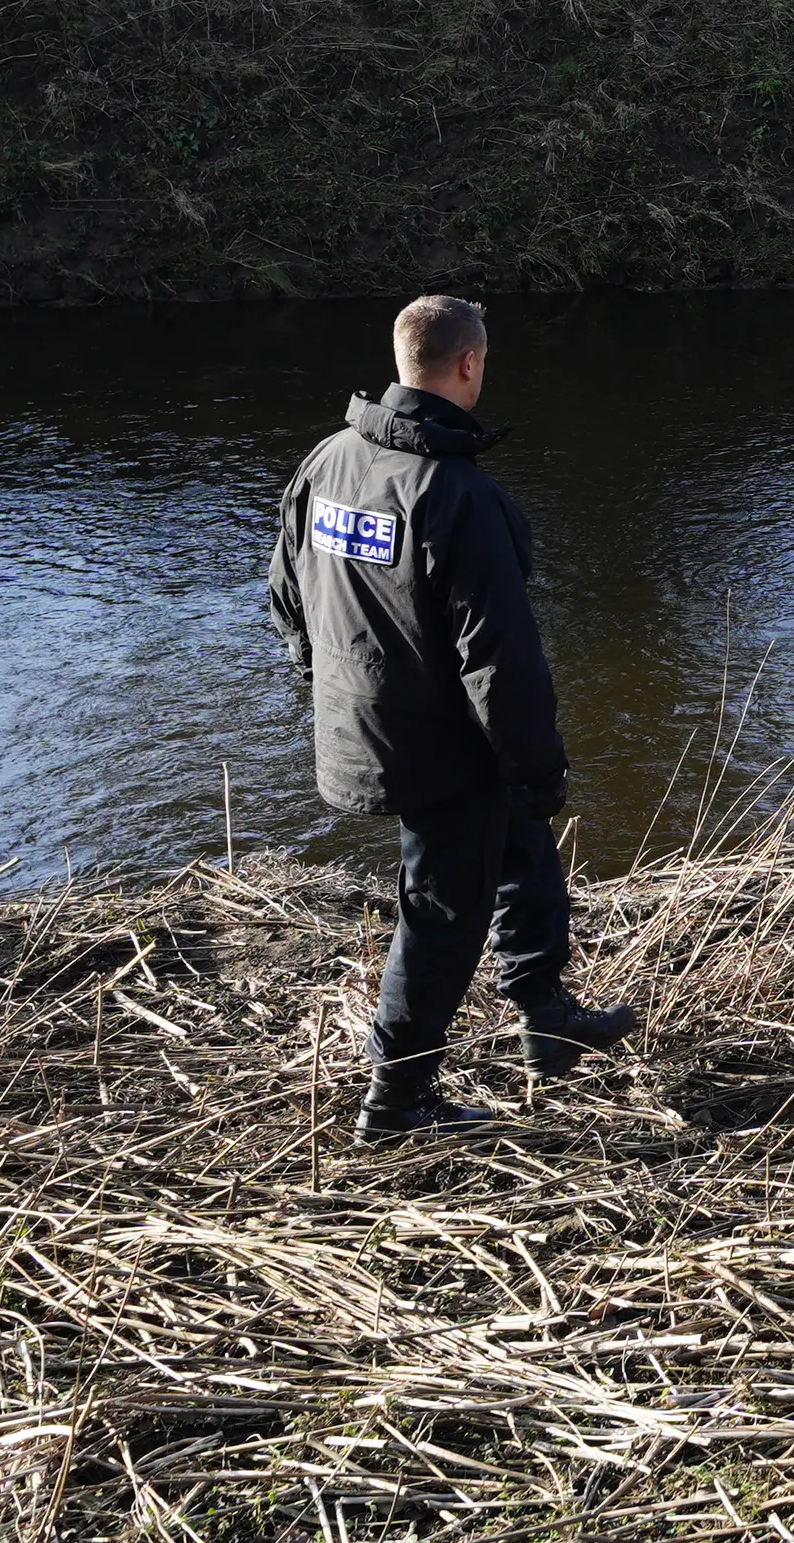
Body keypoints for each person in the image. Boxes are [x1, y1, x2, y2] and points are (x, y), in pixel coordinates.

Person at [269, 295, 635, 1141]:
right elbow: (500, 660)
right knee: (442, 911)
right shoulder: (458, 493)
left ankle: (545, 1014)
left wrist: (336, 689)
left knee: (516, 841)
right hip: (437, 748)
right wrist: (538, 767)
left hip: (368, 726)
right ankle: (396, 1102)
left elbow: (285, 596)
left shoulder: (328, 461)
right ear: (469, 366)